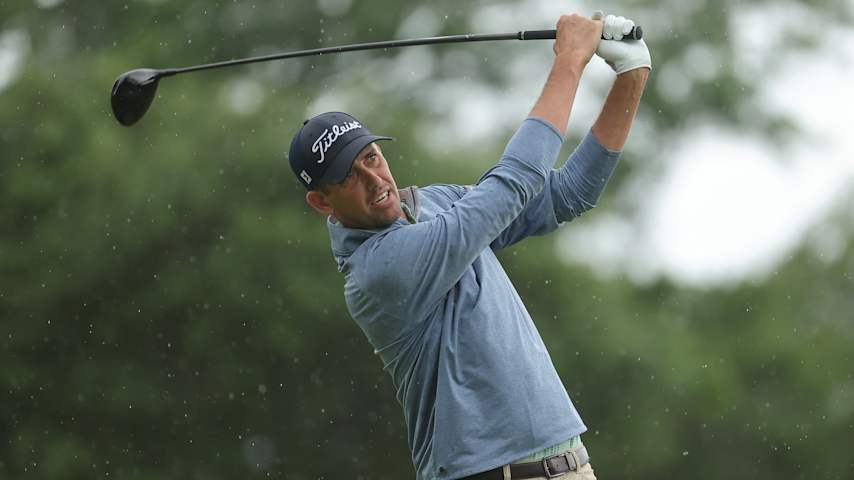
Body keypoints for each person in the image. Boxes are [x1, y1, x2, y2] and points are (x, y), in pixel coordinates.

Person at [288, 11, 650, 480]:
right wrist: (570, 61)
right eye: (348, 176)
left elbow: (567, 195)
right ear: (322, 201)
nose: (374, 179)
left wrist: (631, 73)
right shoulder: (377, 270)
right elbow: (515, 181)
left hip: (567, 466)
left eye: (372, 157)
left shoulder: (436, 204)